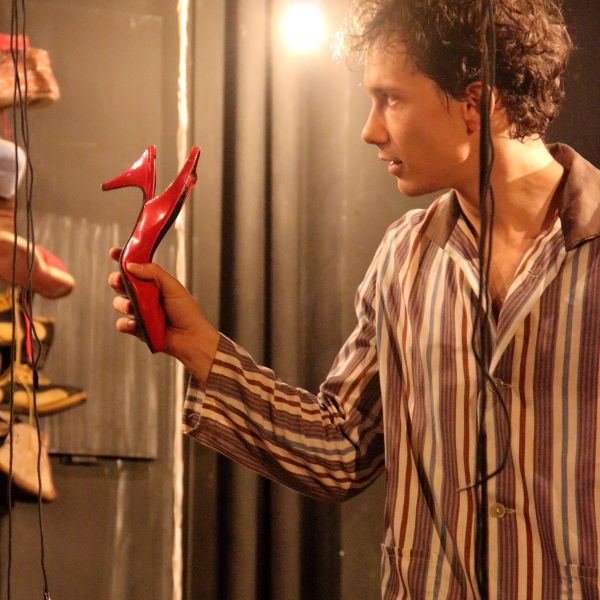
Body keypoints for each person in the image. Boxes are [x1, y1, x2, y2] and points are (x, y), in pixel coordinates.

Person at [109, 1, 600, 598]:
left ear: (477, 102)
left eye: (390, 99)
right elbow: (342, 450)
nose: (370, 129)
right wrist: (198, 346)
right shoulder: (403, 255)